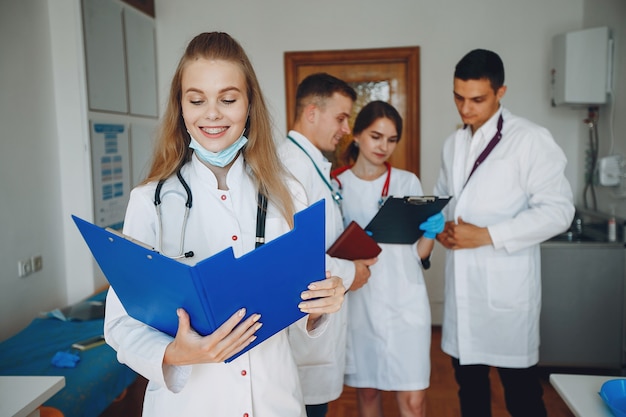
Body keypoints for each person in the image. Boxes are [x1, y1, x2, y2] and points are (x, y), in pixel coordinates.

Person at [103, 32, 345, 417]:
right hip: (189, 405)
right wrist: (173, 352)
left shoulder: (288, 193)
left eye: (228, 99)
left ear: (249, 105)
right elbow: (119, 323)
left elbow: (303, 310)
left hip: (274, 399)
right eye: (196, 100)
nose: (212, 114)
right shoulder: (149, 200)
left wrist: (321, 304)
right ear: (180, 108)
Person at [434, 48, 575, 417]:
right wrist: (444, 229)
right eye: (458, 97)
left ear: (501, 92)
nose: (465, 109)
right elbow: (446, 199)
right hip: (463, 292)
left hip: (506, 294)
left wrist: (487, 235)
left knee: (523, 396)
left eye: (477, 99)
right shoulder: (454, 144)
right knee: (470, 390)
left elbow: (559, 210)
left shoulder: (529, 139)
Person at [331, 100, 443, 417]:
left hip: (406, 300)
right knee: (367, 392)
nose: (384, 146)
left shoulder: (407, 183)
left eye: (392, 140)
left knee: (414, 399)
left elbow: (419, 253)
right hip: (360, 303)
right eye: (376, 136)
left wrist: (431, 233)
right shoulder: (336, 184)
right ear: (356, 135)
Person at [278, 72, 378, 417]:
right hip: (302, 329)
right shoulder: (290, 168)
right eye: (340, 117)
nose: (346, 129)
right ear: (311, 113)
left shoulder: (311, 164)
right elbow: (291, 258)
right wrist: (353, 272)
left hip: (318, 321)